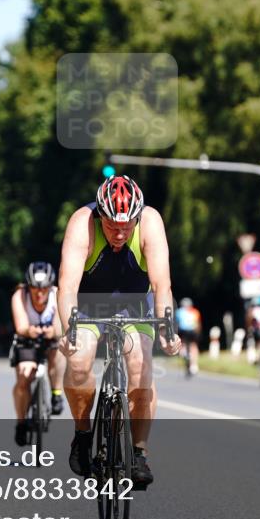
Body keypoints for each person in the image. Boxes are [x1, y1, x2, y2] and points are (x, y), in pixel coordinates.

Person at [57, 175, 182, 488]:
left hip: (135, 304)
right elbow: (68, 286)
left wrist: (167, 327)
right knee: (79, 361)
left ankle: (138, 452)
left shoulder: (151, 222)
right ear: (100, 216)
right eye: (112, 225)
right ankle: (83, 434)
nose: (120, 232)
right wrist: (67, 329)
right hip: (88, 304)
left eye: (127, 226)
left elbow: (161, 284)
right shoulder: (82, 222)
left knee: (141, 367)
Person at [10, 261, 67, 445]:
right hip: (27, 339)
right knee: (24, 377)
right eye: (35, 288)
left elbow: (60, 323)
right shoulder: (20, 295)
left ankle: (56, 393)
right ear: (29, 286)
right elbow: (20, 325)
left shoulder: (58, 294)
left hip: (51, 339)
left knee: (59, 351)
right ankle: (21, 423)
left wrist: (54, 331)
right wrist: (29, 331)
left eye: (44, 289)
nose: (40, 293)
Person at [175, 297, 201, 375]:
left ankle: (184, 353)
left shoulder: (178, 312)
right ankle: (194, 365)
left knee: (183, 343)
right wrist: (198, 333)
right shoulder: (195, 311)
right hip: (193, 331)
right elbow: (198, 324)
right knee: (193, 345)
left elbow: (176, 323)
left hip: (183, 331)